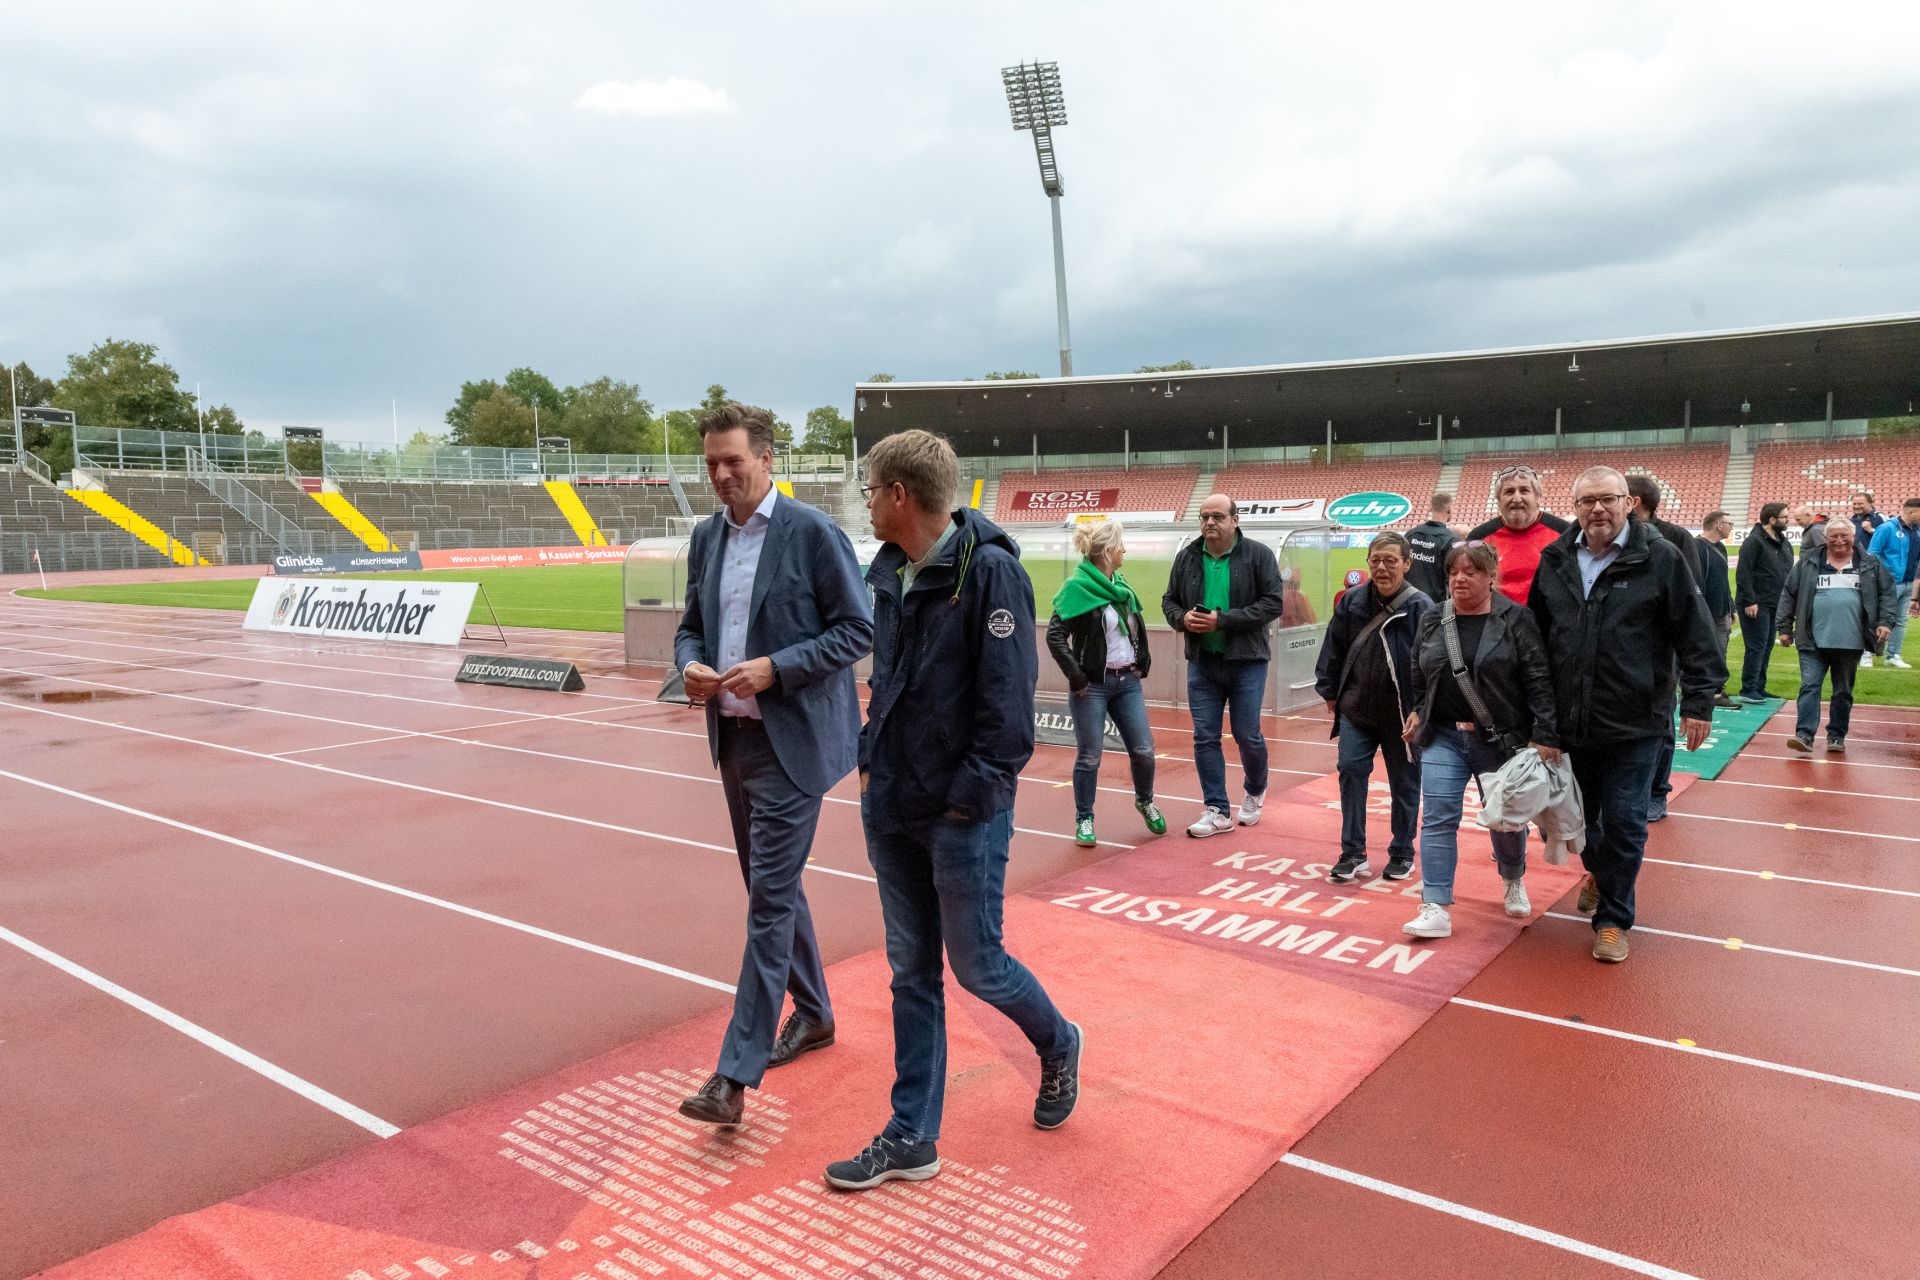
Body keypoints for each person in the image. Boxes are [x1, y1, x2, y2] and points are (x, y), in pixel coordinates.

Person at [826, 429, 1080, 1192]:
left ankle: (1058, 1040)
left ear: (900, 495)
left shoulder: (991, 573)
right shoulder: (890, 572)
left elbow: (1008, 714)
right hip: (893, 803)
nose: (867, 503)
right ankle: (912, 1135)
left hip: (961, 815)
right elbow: (887, 683)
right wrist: (870, 761)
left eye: (872, 490)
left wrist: (966, 803)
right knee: (911, 973)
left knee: (979, 967)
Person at [673, 403, 874, 1126]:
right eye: (711, 464)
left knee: (767, 905)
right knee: (772, 888)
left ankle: (733, 1076)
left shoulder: (812, 533)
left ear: (766, 459)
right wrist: (690, 665)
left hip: (793, 745)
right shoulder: (706, 538)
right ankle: (813, 1013)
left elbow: (858, 629)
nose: (721, 475)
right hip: (734, 741)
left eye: (733, 461)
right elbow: (690, 628)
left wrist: (776, 668)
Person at [1528, 467, 1719, 964]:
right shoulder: (1555, 559)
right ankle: (1600, 871)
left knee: (1626, 821)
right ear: (1574, 507)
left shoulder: (1661, 557)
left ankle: (1613, 920)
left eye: (1607, 499)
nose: (1597, 509)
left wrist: (1699, 701)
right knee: (1576, 822)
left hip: (1636, 721)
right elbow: (1536, 645)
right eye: (1587, 501)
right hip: (1571, 722)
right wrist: (1537, 718)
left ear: (1628, 503)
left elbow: (1695, 632)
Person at [1400, 541, 1560, 938]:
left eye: (1470, 571)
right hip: (1443, 736)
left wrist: (1545, 733)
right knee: (1438, 817)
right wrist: (1419, 708)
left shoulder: (1516, 618)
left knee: (1505, 819)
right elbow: (1418, 668)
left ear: (1491, 577)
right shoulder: (1433, 618)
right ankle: (1435, 904)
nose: (1460, 578)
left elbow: (1538, 678)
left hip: (1500, 740)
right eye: (1454, 571)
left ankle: (1513, 877)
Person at [1161, 495, 1286, 837]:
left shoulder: (1259, 555)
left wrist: (1223, 620)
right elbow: (1169, 601)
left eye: (1217, 516)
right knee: (1205, 737)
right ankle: (1216, 809)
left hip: (1247, 662)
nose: (1209, 523)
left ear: (1235, 520)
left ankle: (1255, 788)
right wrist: (1182, 618)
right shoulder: (1187, 556)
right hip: (1203, 663)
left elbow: (1273, 604)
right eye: (1204, 517)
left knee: (1247, 734)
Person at [1314, 531, 1432, 884]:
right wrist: (1329, 691)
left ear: (1407, 564)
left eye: (1390, 560)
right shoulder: (1352, 601)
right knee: (1350, 770)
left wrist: (1422, 709)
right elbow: (1333, 647)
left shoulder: (1421, 607)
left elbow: (1432, 664)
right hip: (1358, 710)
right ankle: (1352, 851)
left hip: (1403, 716)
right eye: (1375, 560)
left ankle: (1402, 852)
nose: (1382, 567)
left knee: (1405, 784)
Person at [1045, 520, 1166, 847]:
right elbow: (1055, 636)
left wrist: (1141, 661)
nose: (1125, 550)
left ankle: (1145, 800)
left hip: (1127, 682)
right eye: (1121, 545)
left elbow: (1134, 630)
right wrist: (1077, 676)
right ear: (1109, 551)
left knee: (1143, 750)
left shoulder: (1121, 586)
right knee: (1089, 756)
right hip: (1092, 686)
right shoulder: (1077, 588)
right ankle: (1084, 818)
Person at [1624, 473, 1714, 822]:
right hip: (1622, 651)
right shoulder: (1610, 537)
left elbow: (1690, 598)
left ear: (1632, 501)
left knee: (1661, 720)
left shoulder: (1675, 538)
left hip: (1661, 651)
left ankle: (1657, 792)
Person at [1778, 520, 1894, 754]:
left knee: (1842, 691)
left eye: (1844, 535)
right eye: (1833, 536)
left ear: (1853, 537)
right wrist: (1784, 627)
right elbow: (1789, 594)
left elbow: (1887, 594)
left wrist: (1884, 622)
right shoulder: (1808, 562)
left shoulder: (1870, 563)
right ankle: (1804, 735)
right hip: (1811, 639)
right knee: (1810, 686)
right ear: (1826, 538)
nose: (1839, 540)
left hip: (1851, 641)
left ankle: (1836, 736)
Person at [1466, 465, 1570, 606]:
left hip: (1547, 618)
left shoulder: (1564, 532)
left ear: (1538, 497)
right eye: (1509, 492)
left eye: (1524, 490)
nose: (1516, 498)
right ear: (1498, 500)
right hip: (1499, 617)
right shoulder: (1479, 537)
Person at [1735, 502, 1794, 701]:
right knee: (1756, 646)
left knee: (1767, 645)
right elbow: (1744, 572)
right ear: (1772, 519)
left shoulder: (1782, 541)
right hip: (1757, 603)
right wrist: (1750, 600)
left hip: (1774, 601)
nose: (1787, 520)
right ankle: (1748, 688)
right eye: (1784, 517)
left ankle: (1759, 686)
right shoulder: (1754, 541)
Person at [1866, 498, 1920, 669]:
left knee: (1900, 620)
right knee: (1877, 618)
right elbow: (1873, 554)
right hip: (1889, 583)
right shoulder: (1887, 528)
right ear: (1912, 511)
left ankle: (1893, 655)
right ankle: (1868, 652)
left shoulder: (1918, 531)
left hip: (1908, 582)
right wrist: (1883, 576)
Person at [1695, 511, 1740, 707]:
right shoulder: (1697, 547)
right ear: (1718, 525)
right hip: (1706, 612)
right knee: (1705, 653)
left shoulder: (1720, 547)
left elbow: (1723, 581)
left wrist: (1731, 607)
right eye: (1730, 523)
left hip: (1722, 611)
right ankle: (1706, 691)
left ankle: (1717, 689)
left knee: (1720, 652)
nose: (1732, 527)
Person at [1405, 493, 1460, 601]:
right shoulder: (1451, 540)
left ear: (1430, 509)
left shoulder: (1410, 534)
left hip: (1408, 600)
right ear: (1449, 510)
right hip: (1434, 604)